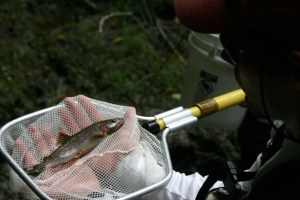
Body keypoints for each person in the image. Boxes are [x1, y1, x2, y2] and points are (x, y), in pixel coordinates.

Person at [17, 0, 300, 199]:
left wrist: (98, 197)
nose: (230, 68)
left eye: (236, 49)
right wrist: (138, 175)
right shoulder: (289, 135)